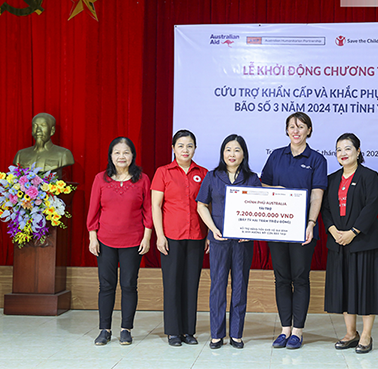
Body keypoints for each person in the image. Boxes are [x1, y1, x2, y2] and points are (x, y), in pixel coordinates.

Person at [260, 112, 328, 349]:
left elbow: (317, 195)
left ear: (309, 130)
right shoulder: (276, 156)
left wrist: (311, 223)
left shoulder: (317, 159)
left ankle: (297, 331)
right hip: (277, 228)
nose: (296, 130)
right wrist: (274, 189)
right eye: (291, 126)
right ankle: (284, 329)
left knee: (300, 279)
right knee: (281, 279)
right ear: (287, 130)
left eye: (301, 126)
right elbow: (263, 185)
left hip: (303, 230)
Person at [321, 133, 378, 354]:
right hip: (338, 242)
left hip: (363, 242)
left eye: (348, 149)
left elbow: (371, 206)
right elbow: (325, 209)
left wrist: (353, 232)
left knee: (366, 290)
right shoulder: (331, 179)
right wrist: (332, 230)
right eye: (339, 149)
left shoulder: (369, 176)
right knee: (344, 289)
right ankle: (351, 333)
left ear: (358, 152)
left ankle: (366, 335)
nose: (342, 153)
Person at [196, 134, 262, 349]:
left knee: (240, 286)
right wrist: (213, 229)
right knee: (218, 286)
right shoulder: (212, 176)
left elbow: (259, 209)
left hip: (243, 242)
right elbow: (201, 205)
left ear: (244, 154)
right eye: (228, 150)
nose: (232, 154)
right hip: (219, 239)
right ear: (222, 153)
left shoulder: (252, 178)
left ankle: (236, 334)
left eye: (236, 150)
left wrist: (251, 231)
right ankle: (216, 334)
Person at [86, 137, 153, 346]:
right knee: (106, 285)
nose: (121, 156)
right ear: (111, 156)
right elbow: (93, 210)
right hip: (105, 240)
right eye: (117, 152)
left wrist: (147, 236)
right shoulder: (101, 179)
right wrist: (92, 237)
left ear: (132, 155)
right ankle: (104, 329)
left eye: (126, 152)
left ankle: (126, 329)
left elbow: (149, 210)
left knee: (129, 285)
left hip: (133, 241)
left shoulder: (142, 179)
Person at [151, 129, 208, 347]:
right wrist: (160, 235)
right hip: (171, 237)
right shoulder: (163, 172)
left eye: (190, 145)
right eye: (181, 145)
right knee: (172, 283)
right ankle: (173, 331)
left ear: (195, 148)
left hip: (196, 235)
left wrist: (208, 235)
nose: (185, 150)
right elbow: (156, 205)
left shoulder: (203, 173)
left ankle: (188, 331)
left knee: (191, 283)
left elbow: (207, 206)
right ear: (173, 148)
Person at [13, 112, 75, 177]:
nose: (38, 130)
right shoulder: (20, 155)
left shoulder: (63, 154)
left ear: (52, 130)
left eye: (43, 125)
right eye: (35, 125)